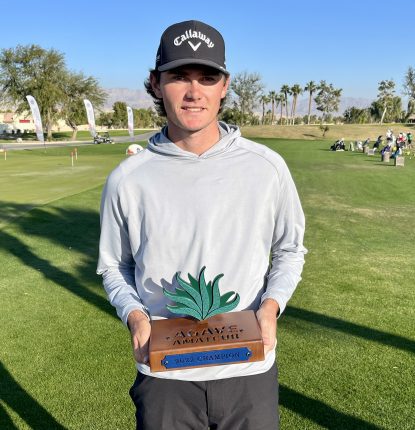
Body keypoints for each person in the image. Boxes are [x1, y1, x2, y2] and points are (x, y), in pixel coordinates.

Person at [97, 20, 306, 430]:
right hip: (166, 376)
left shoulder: (267, 168)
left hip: (249, 374)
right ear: (156, 84)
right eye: (179, 77)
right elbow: (113, 266)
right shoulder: (128, 178)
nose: (194, 92)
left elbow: (289, 249)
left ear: (224, 85)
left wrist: (271, 306)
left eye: (207, 77)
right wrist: (135, 317)